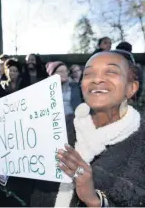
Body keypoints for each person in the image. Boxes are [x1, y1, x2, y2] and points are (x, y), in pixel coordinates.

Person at [30, 49, 145, 207]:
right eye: (88, 74)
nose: (97, 79)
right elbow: (32, 183)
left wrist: (93, 200)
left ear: (131, 88)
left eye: (111, 71)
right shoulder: (61, 126)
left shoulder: (140, 141)